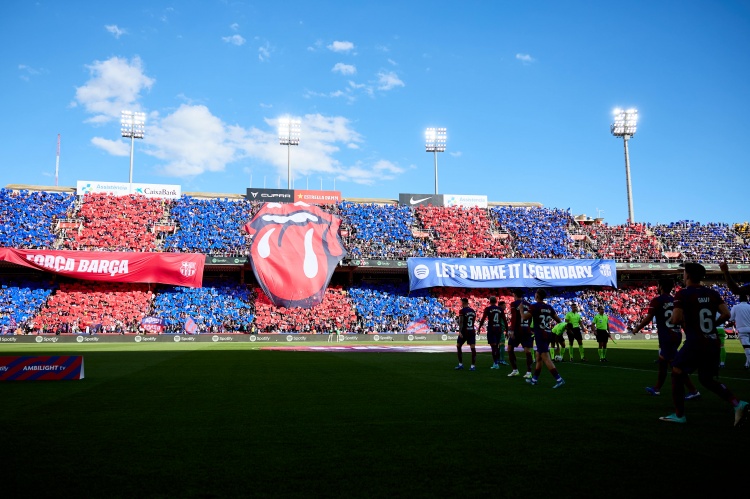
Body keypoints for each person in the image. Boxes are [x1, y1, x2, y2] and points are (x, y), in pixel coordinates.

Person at [659, 262, 748, 426]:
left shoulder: (682, 294)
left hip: (695, 342)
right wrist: (711, 326)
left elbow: (676, 319)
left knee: (677, 371)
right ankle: (738, 404)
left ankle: (679, 415)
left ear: (687, 275)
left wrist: (674, 319)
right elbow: (726, 314)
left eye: (684, 273)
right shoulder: (712, 293)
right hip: (712, 341)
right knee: (706, 379)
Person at [630, 278, 700, 399]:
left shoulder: (657, 301)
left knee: (676, 366)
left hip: (667, 336)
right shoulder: (675, 300)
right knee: (662, 362)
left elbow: (648, 318)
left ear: (661, 287)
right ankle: (657, 388)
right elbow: (682, 319)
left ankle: (693, 391)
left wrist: (637, 328)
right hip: (676, 334)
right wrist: (688, 333)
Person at [519, 289, 565, 388]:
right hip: (548, 333)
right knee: (538, 357)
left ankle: (559, 379)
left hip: (540, 334)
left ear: (537, 296)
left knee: (546, 358)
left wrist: (521, 309)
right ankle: (534, 379)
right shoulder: (549, 307)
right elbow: (558, 320)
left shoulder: (534, 306)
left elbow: (524, 317)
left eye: (535, 294)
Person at [507, 289, 535, 378]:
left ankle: (515, 370)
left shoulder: (514, 304)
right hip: (526, 329)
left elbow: (514, 317)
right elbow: (531, 317)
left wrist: (512, 330)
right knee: (527, 351)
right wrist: (529, 327)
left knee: (510, 349)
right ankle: (529, 372)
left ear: (515, 295)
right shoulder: (529, 304)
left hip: (517, 330)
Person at [478, 296, 509, 369]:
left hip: (491, 329)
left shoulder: (488, 309)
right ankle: (497, 362)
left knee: (493, 347)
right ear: (496, 301)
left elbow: (483, 319)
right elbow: (505, 320)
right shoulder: (500, 309)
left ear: (490, 301)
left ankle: (495, 363)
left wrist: (479, 327)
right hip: (498, 329)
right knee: (497, 346)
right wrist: (507, 331)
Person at [455, 297, 478, 371]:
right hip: (471, 330)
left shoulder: (462, 311)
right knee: (473, 348)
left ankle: (460, 364)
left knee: (458, 346)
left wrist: (460, 331)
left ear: (463, 303)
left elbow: (461, 322)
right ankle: (473, 366)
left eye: (461, 302)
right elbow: (473, 321)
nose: (461, 304)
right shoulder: (473, 311)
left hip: (464, 331)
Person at [729, 294, 750, 369]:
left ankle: (748, 363)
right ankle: (747, 364)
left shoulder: (735, 307)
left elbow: (731, 318)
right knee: (748, 348)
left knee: (747, 348)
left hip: (742, 329)